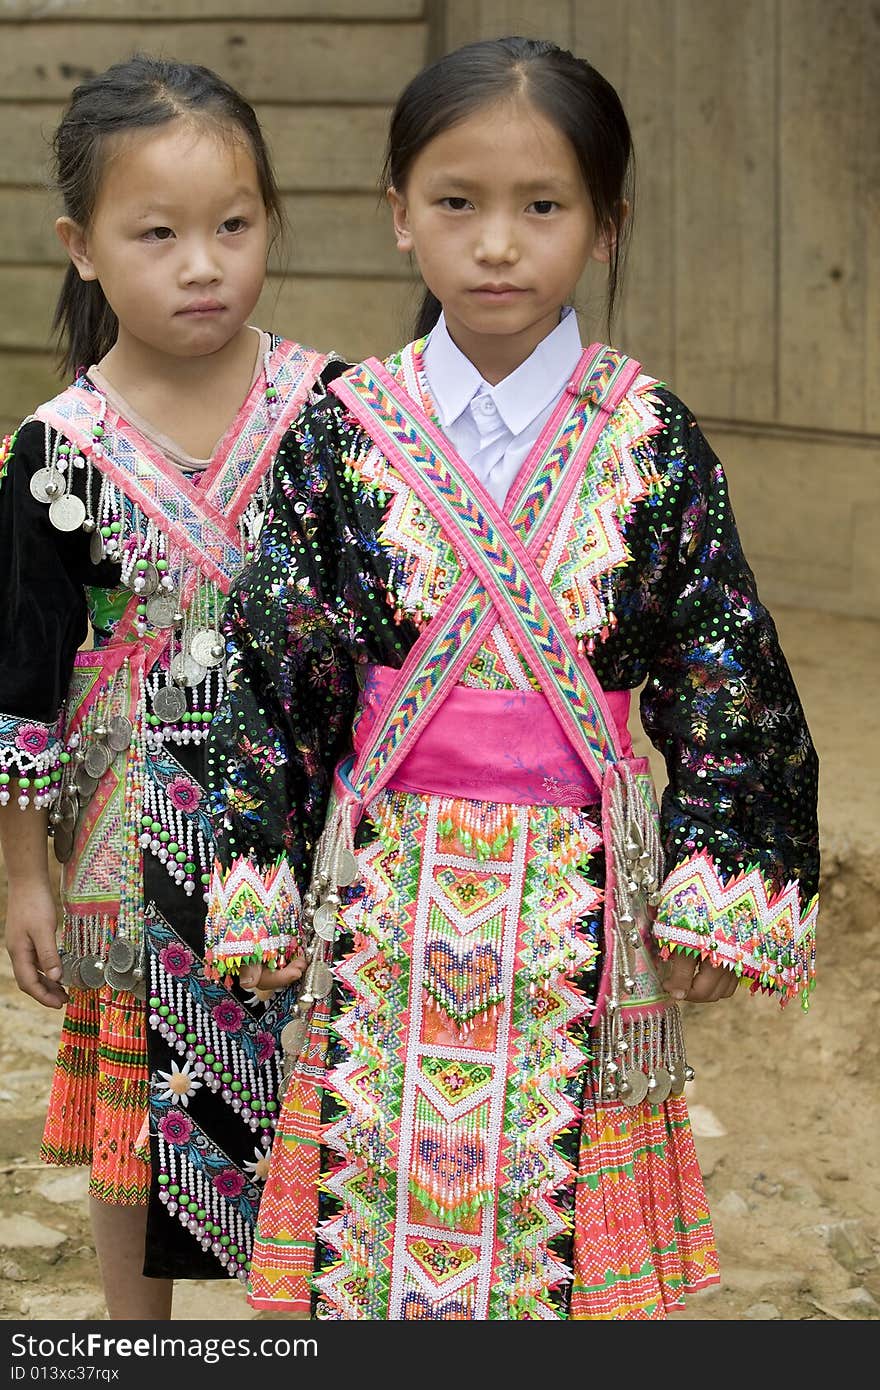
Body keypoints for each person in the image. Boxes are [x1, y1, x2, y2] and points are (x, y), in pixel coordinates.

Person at [204, 36, 820, 1320]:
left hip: (578, 909)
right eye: (456, 203)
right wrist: (253, 869)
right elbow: (272, 661)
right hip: (385, 900)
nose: (497, 244)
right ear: (397, 219)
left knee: (567, 1269)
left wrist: (723, 864)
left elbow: (721, 660)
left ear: (605, 227)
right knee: (369, 1227)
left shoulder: (647, 437)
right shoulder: (343, 428)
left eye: (542, 206)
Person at [0, 55, 346, 1320]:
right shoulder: (57, 452)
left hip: (314, 828)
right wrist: (21, 871)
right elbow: (19, 679)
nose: (202, 263)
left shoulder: (339, 412)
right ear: (81, 248)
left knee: (318, 1085)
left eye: (233, 227)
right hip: (126, 834)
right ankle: (130, 1338)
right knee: (134, 1100)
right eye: (158, 234)